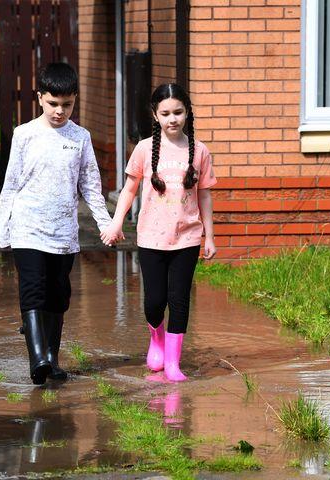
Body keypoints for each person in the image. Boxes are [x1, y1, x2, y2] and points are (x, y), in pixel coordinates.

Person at [0, 62, 120, 385]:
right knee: (33, 290)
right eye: (53, 103)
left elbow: (91, 186)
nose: (59, 111)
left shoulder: (80, 138)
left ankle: (51, 358)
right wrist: (3, 227)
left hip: (63, 234)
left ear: (75, 100)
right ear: (40, 98)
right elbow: (10, 185)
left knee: (57, 295)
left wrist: (106, 223)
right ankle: (37, 359)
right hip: (28, 228)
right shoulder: (24, 135)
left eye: (67, 104)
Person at [101, 83, 216, 382]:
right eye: (165, 113)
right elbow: (129, 189)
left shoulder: (200, 151)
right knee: (154, 301)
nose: (172, 119)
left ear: (188, 112)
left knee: (179, 300)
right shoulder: (143, 149)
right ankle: (157, 338)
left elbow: (204, 195)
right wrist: (116, 223)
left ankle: (173, 363)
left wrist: (210, 237)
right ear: (155, 115)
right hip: (151, 237)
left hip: (187, 238)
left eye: (178, 112)